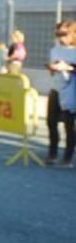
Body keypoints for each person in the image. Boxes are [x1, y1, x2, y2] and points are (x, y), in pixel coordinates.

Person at [45, 20, 76, 166]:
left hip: (71, 90)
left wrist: (69, 67)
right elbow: (53, 68)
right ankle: (52, 153)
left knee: (69, 125)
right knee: (51, 121)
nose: (60, 37)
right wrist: (53, 68)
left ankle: (68, 156)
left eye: (63, 34)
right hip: (56, 88)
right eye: (58, 34)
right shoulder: (55, 49)